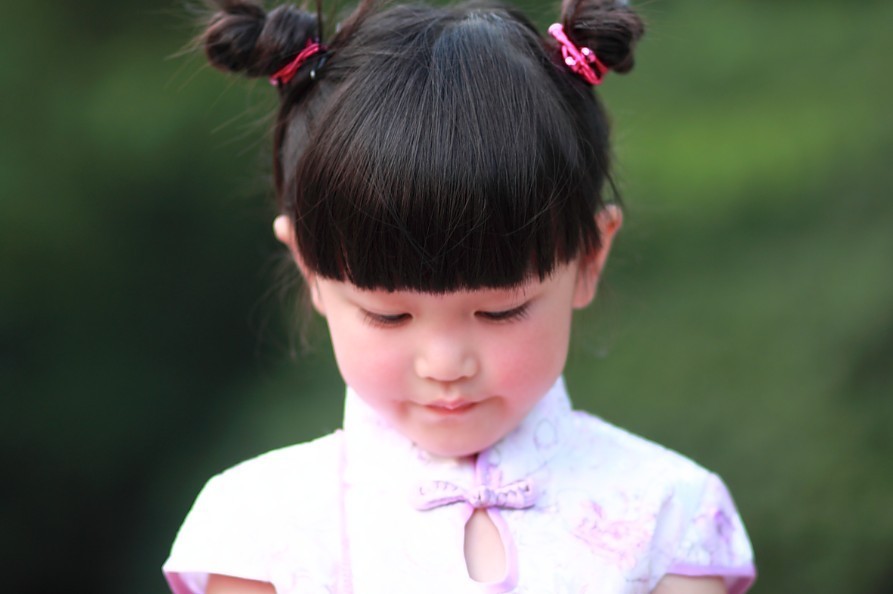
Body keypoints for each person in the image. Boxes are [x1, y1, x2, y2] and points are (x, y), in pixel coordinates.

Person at [163, 0, 756, 591]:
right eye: (389, 315)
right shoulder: (260, 529)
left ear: (588, 258)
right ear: (309, 268)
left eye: (500, 311)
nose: (445, 365)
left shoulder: (668, 518)